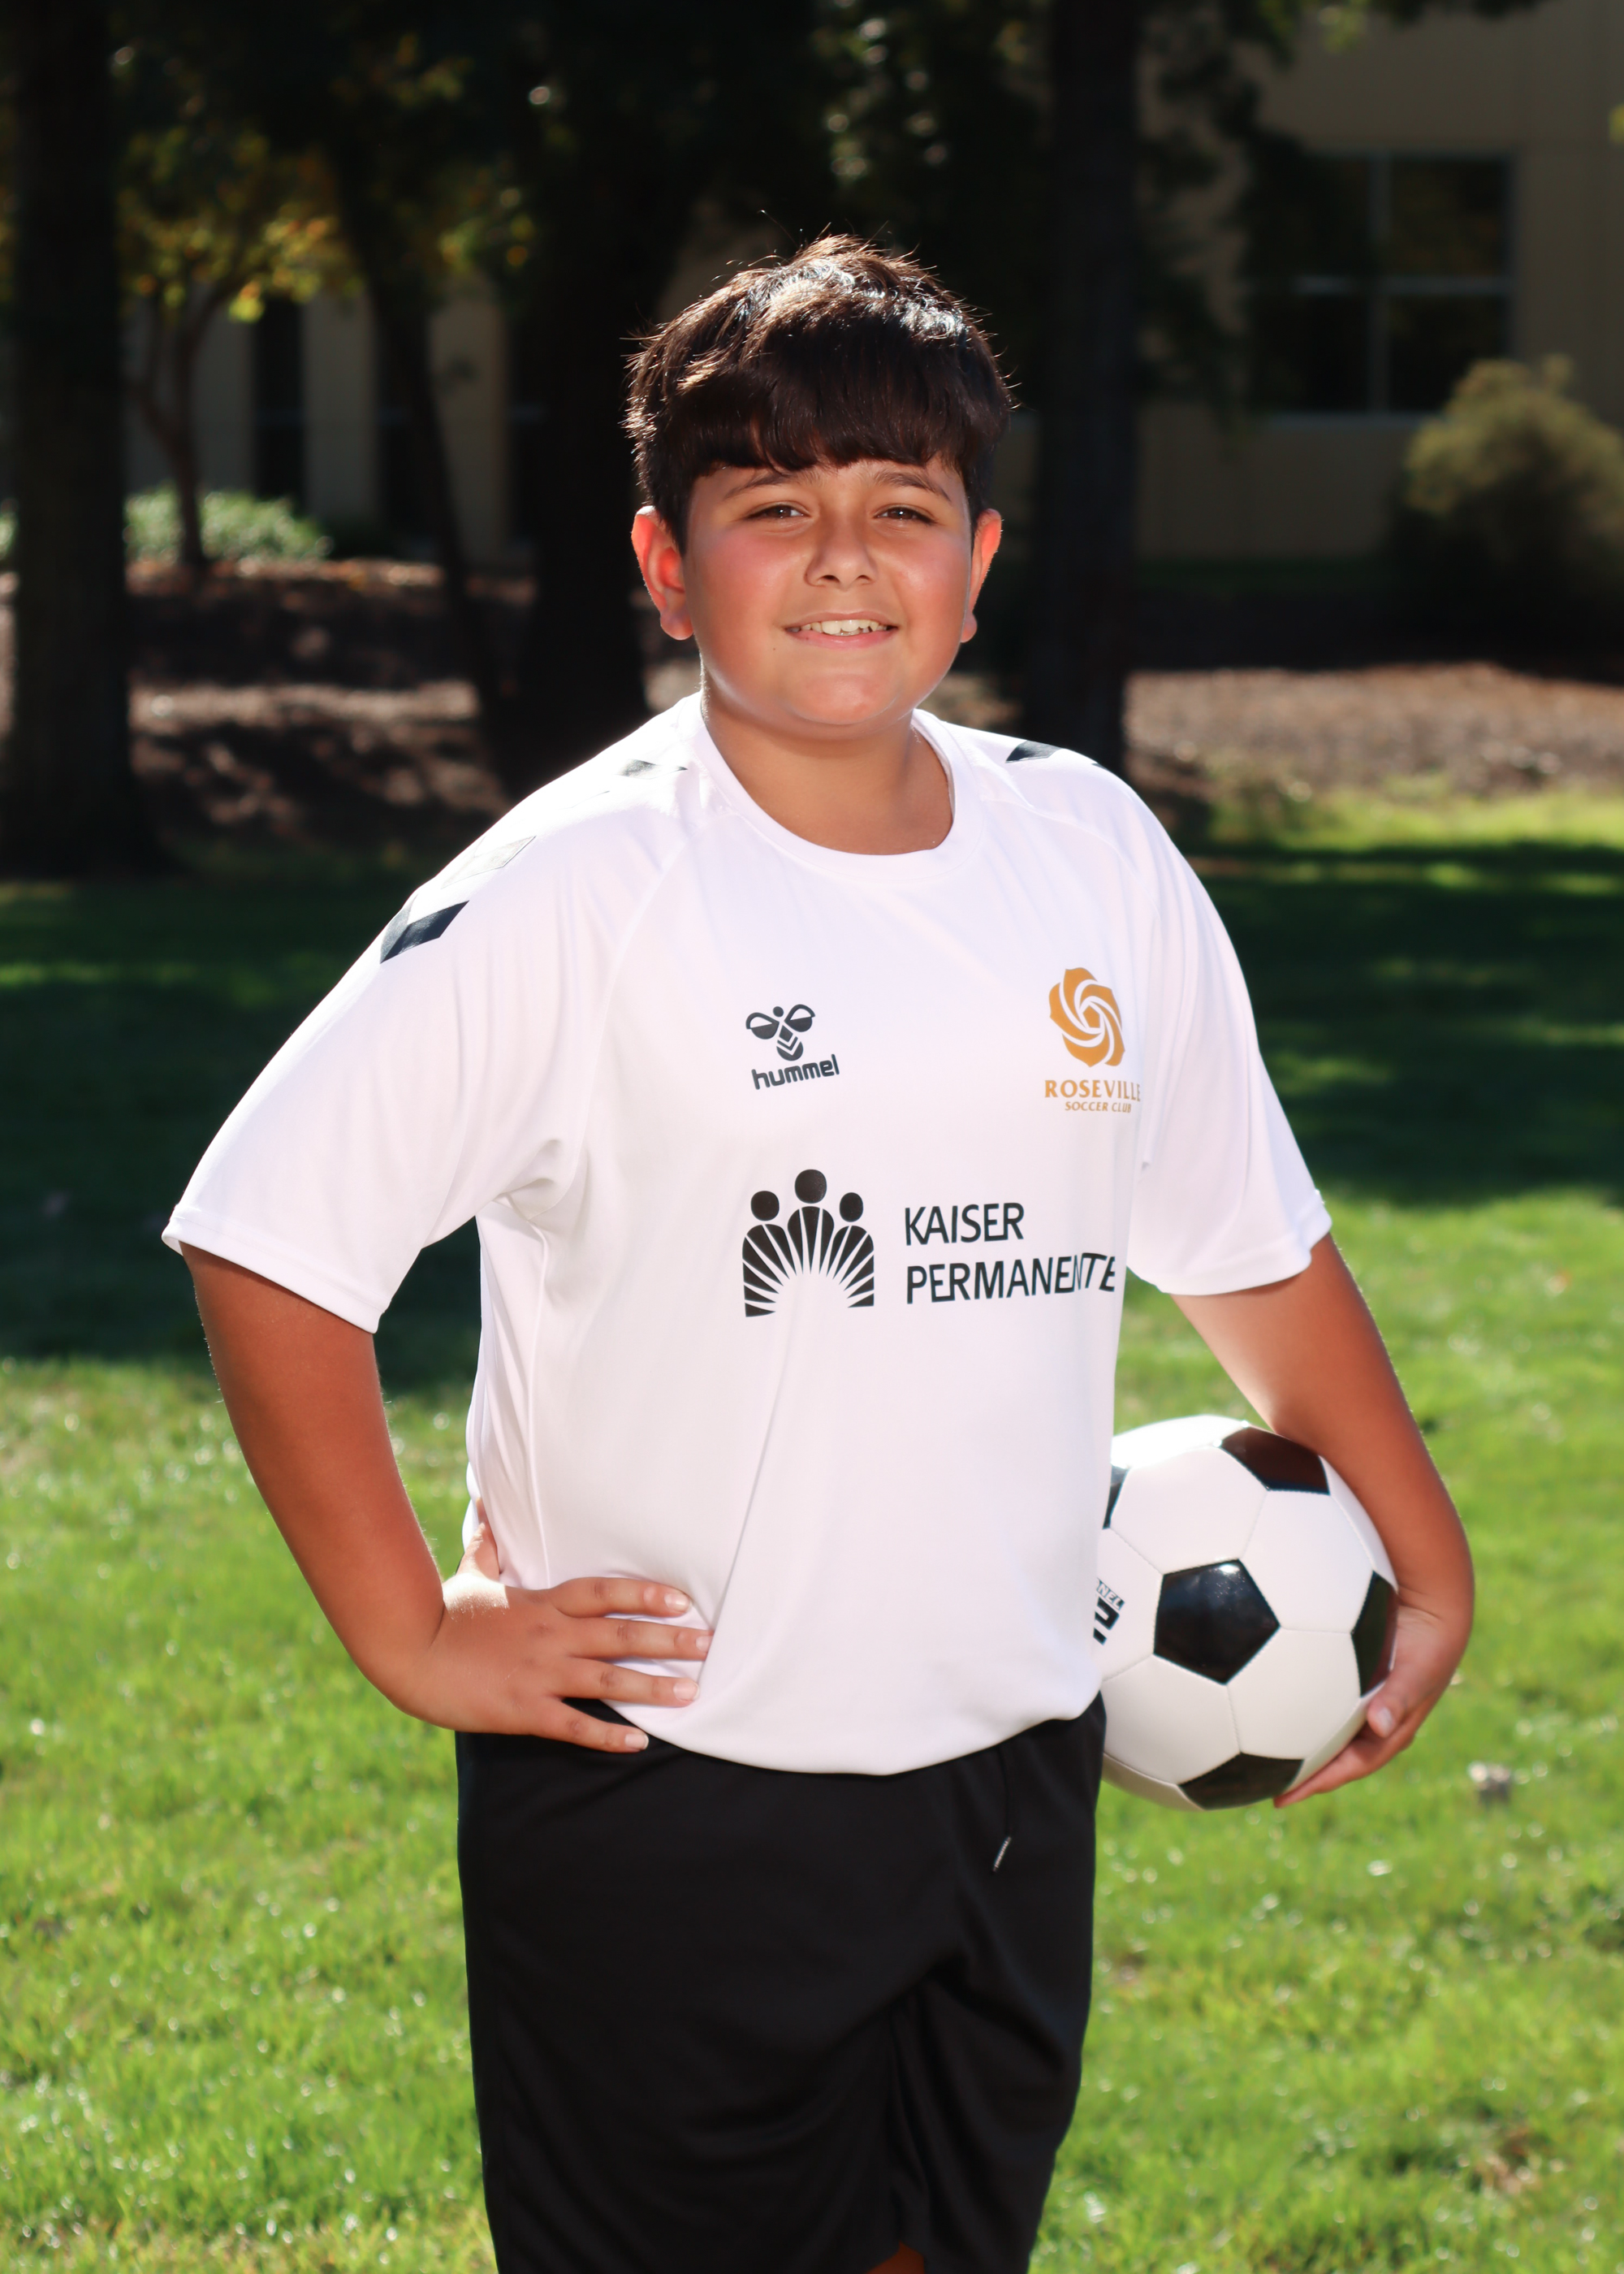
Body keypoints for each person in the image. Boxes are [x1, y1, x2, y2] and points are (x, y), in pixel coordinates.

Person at [167, 237, 1473, 2274]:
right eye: (773, 505)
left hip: (1011, 1758)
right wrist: (412, 1630)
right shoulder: (579, 887)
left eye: (901, 506)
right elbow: (270, 1240)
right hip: (675, 1785)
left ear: (979, 559)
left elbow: (1248, 1240)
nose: (843, 555)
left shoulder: (1089, 853)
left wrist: (1421, 1540)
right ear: (667, 565)